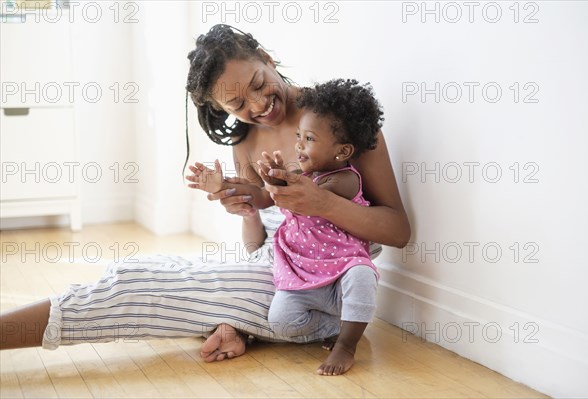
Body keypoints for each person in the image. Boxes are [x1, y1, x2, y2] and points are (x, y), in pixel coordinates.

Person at [0, 25, 411, 374]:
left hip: (328, 279)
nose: (258, 105)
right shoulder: (247, 142)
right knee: (134, 268)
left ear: (266, 58)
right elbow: (258, 245)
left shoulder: (338, 121)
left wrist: (322, 204)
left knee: (131, 290)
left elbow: (397, 230)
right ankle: (239, 323)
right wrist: (245, 208)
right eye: (237, 104)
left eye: (257, 83)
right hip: (275, 271)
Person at [264, 78, 383, 376]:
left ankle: (347, 344)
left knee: (363, 274)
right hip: (304, 275)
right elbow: (292, 194)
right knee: (280, 322)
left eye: (310, 139)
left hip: (341, 275)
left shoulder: (345, 179)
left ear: (341, 152)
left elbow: (311, 195)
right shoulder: (311, 175)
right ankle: (338, 325)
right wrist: (274, 178)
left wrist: (287, 180)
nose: (299, 145)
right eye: (298, 136)